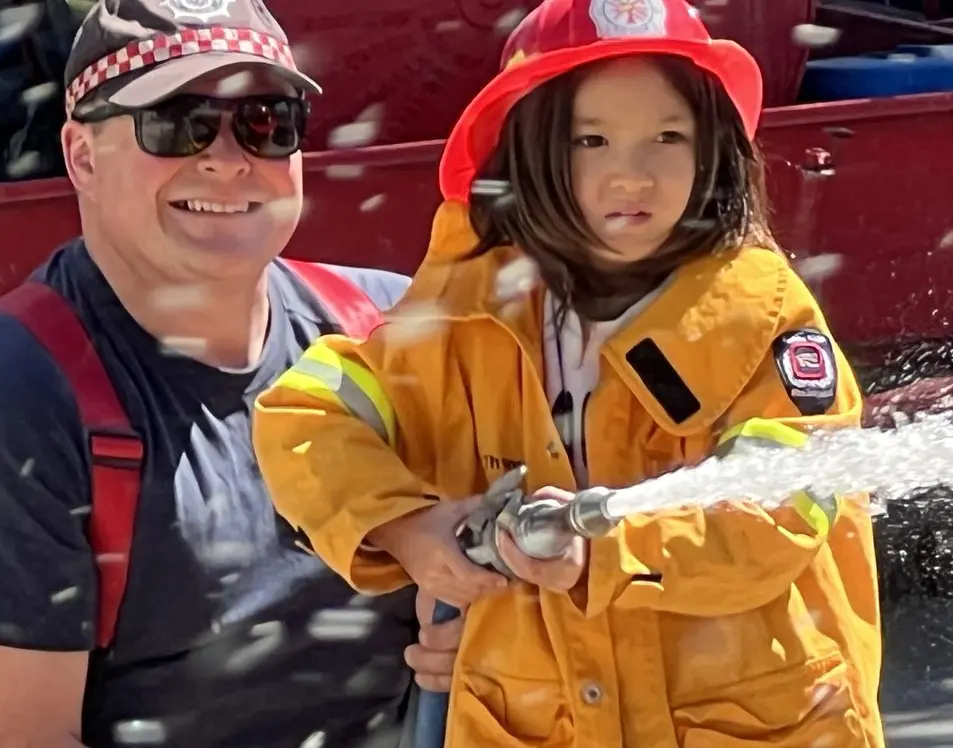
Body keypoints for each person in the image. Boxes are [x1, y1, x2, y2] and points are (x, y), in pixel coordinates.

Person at [252, 0, 886, 744]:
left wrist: (603, 551)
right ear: (528, 151)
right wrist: (409, 528)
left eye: (669, 137)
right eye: (592, 140)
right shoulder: (466, 314)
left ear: (713, 149)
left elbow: (785, 507)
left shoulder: (763, 316)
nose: (632, 175)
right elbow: (306, 415)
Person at [0, 0, 459, 746]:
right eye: (177, 122)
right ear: (81, 157)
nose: (229, 159)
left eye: (266, 121)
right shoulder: (18, 390)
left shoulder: (391, 329)